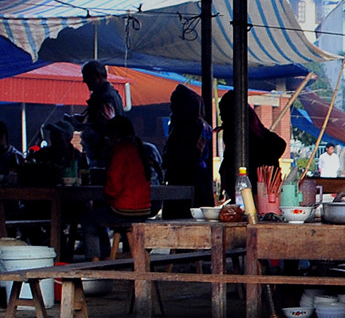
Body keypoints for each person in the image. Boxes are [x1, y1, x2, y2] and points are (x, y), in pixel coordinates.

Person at [81, 116, 156, 259]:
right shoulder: (138, 149)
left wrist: (108, 196)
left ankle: (96, 259)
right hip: (144, 209)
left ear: (115, 133)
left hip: (124, 210)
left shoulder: (119, 151)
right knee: (97, 217)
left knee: (89, 219)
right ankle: (105, 256)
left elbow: (113, 185)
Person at [217, 91, 287, 197]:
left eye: (223, 110)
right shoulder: (260, 133)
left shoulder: (239, 133)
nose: (220, 115)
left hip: (253, 190)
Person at [162, 85, 213, 217]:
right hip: (195, 176)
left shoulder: (190, 127)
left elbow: (185, 155)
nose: (172, 108)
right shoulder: (199, 125)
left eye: (175, 104)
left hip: (188, 177)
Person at [76, 60, 126, 165]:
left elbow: (107, 125)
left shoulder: (105, 97)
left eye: (87, 76)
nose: (84, 80)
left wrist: (85, 125)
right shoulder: (110, 95)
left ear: (97, 75)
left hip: (103, 155)